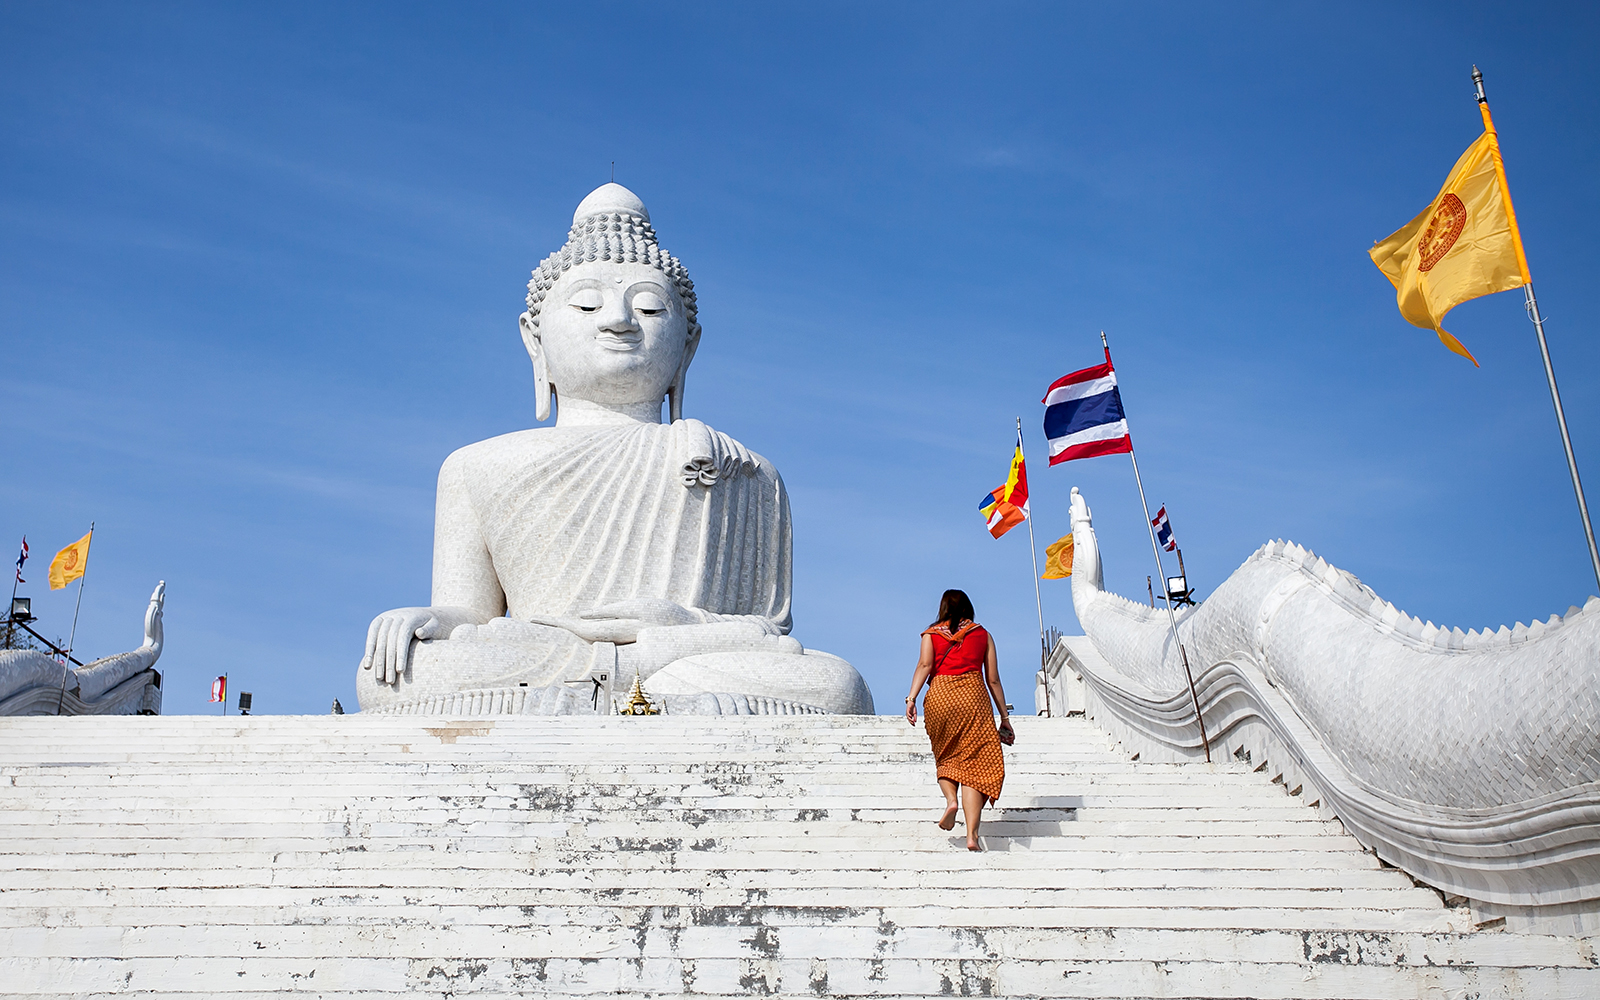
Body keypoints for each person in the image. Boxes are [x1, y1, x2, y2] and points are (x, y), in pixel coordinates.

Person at [905, 589, 1013, 850]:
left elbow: (925, 666)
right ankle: (972, 836)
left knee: (946, 757)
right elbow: (994, 679)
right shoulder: (983, 635)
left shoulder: (931, 634)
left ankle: (951, 800)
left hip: (940, 697)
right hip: (973, 698)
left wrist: (911, 698)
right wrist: (1004, 717)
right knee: (975, 767)